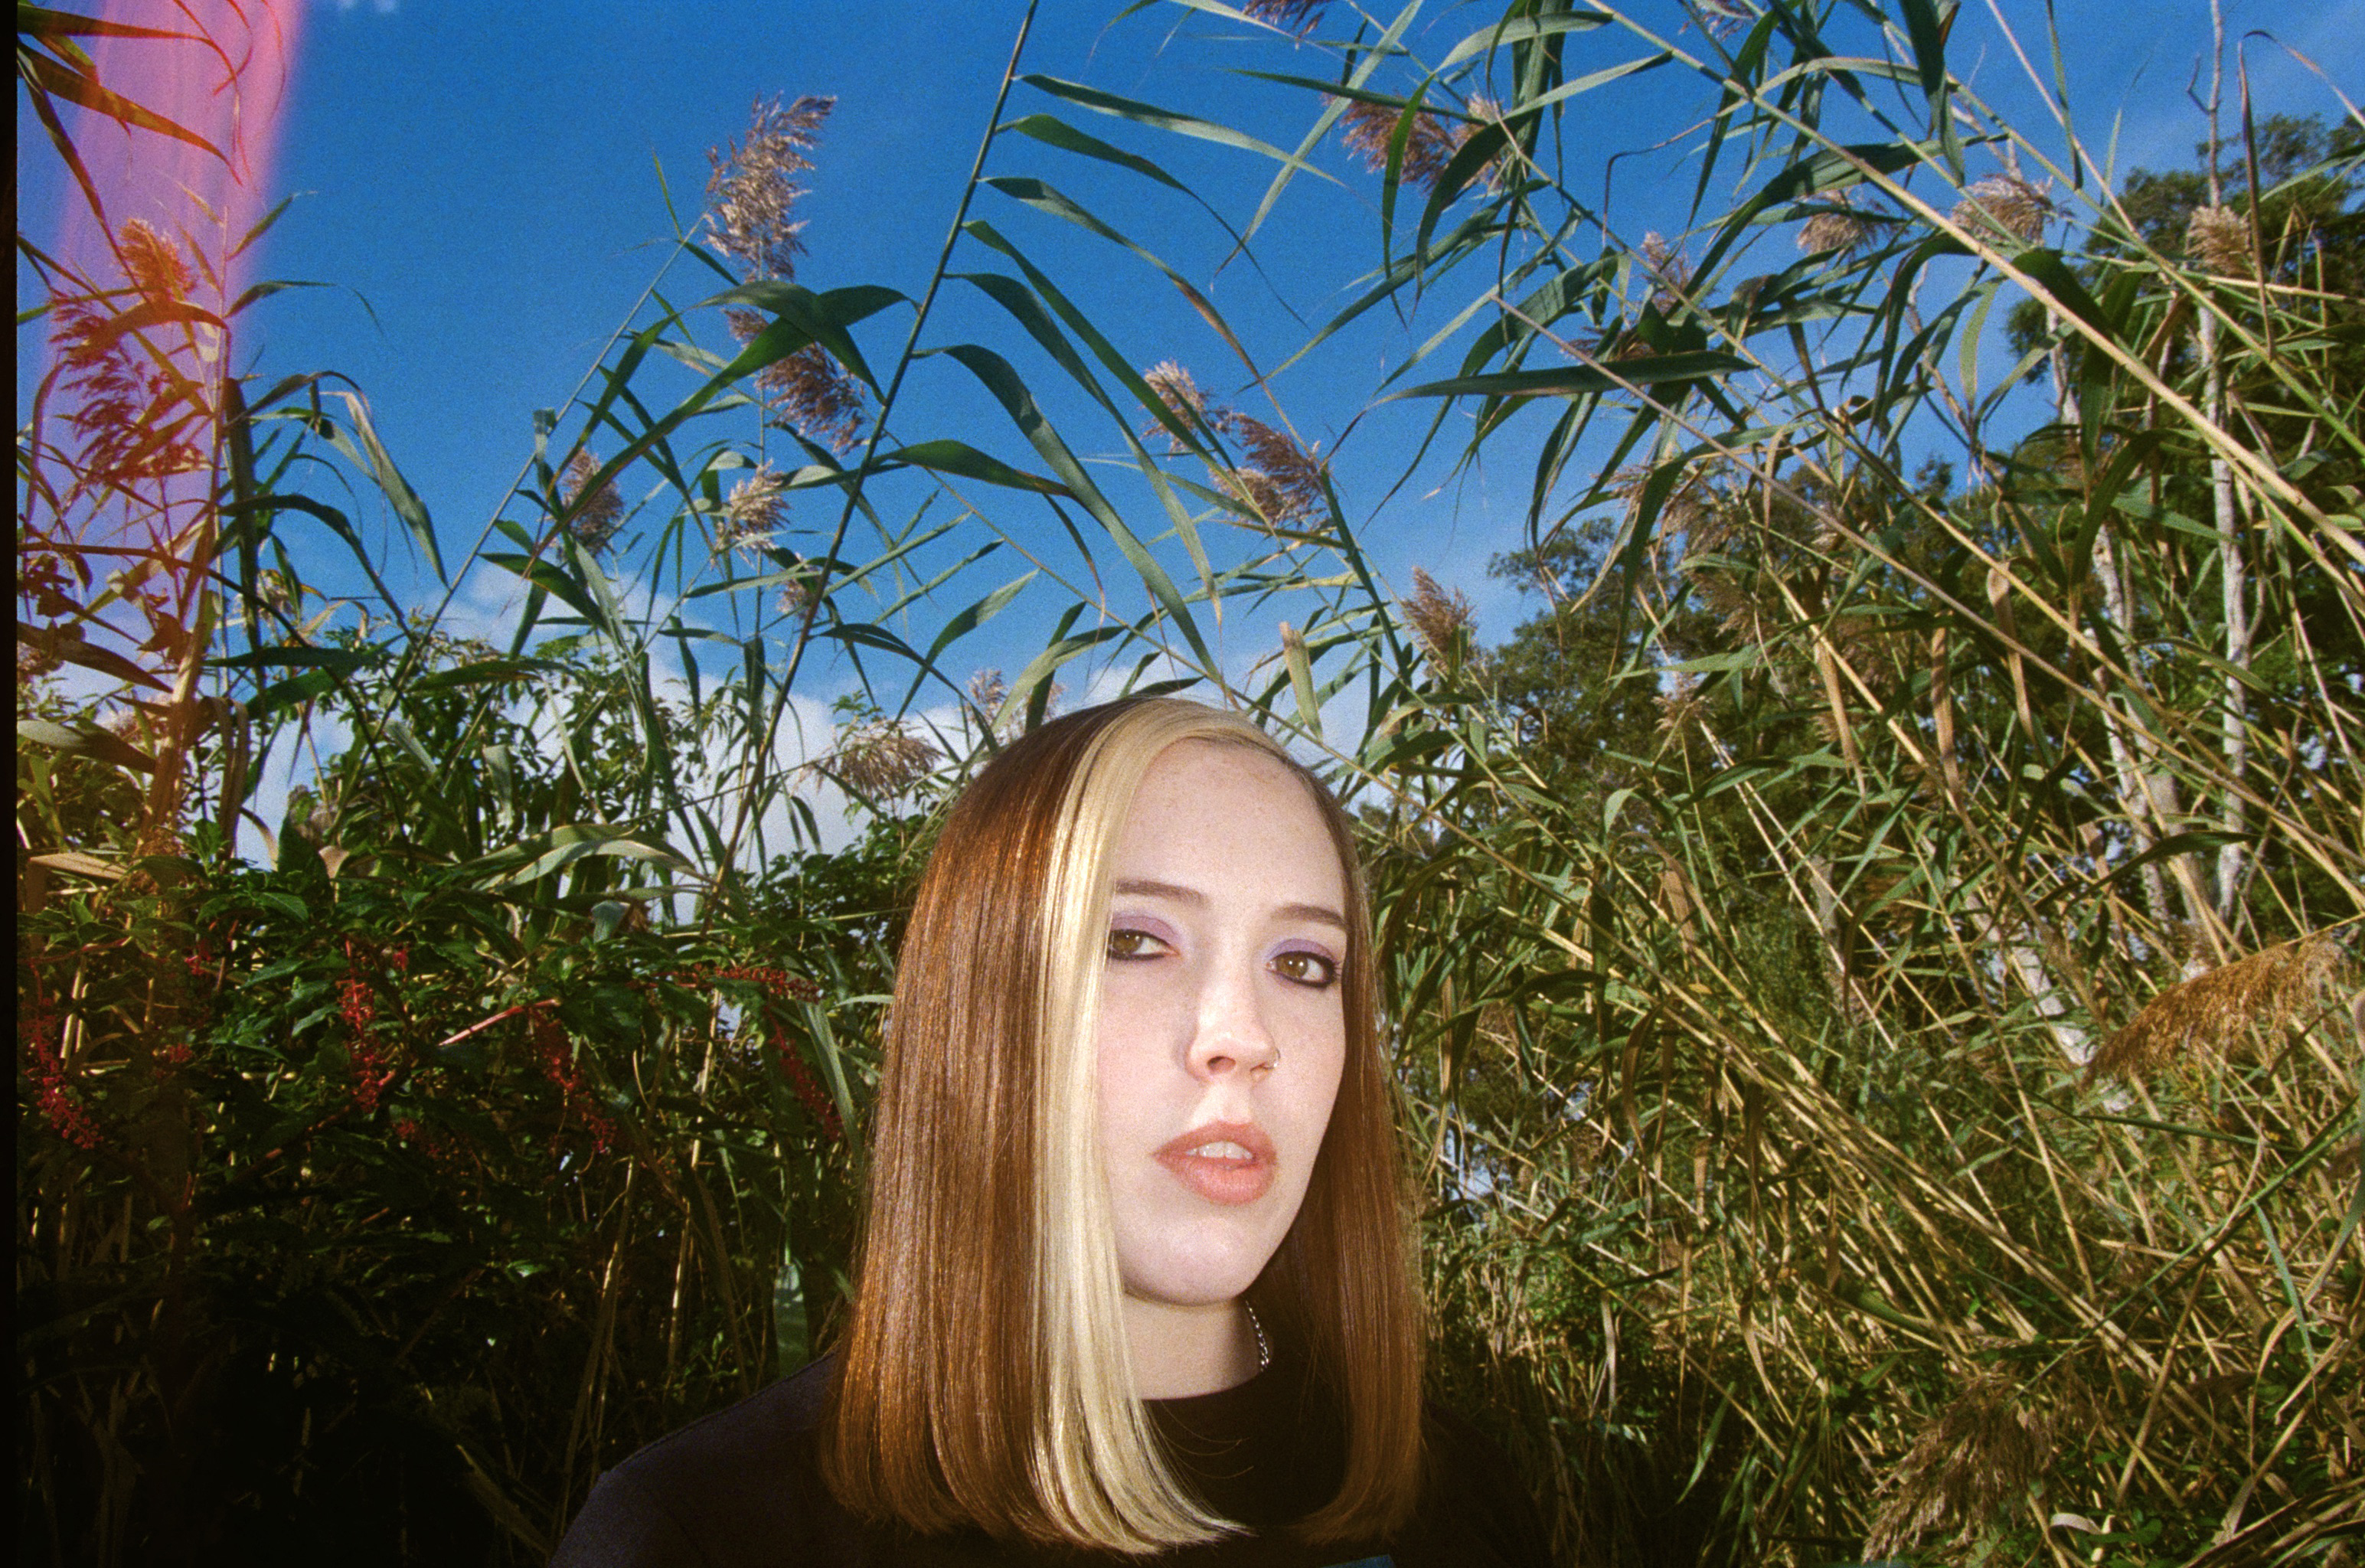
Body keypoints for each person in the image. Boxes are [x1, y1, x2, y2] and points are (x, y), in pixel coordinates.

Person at [552, 697, 1550, 1566]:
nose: (1245, 1039)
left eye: (1302, 965)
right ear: (982, 1006)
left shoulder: (1453, 1495)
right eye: (1134, 941)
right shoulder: (704, 1532)